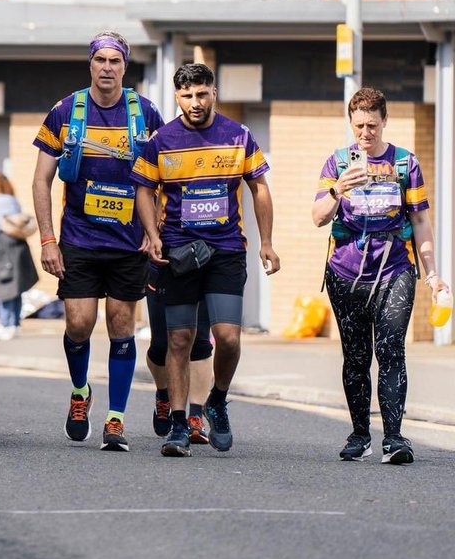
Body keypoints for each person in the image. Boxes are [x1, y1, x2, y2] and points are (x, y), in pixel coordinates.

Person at [132, 62, 280, 458]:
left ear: (213, 92)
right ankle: (179, 425)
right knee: (178, 339)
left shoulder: (238, 135)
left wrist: (266, 242)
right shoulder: (162, 140)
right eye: (186, 96)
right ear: (177, 97)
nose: (194, 103)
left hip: (227, 250)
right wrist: (153, 235)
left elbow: (259, 188)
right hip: (178, 252)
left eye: (201, 94)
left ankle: (217, 399)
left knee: (228, 338)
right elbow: (144, 189)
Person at [32, 31, 165, 452]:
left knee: (122, 326)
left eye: (115, 61)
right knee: (78, 324)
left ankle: (116, 419)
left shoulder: (144, 112)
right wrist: (48, 239)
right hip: (79, 239)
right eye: (100, 60)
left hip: (129, 243)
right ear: (90, 65)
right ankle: (80, 392)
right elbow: (41, 179)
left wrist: (155, 230)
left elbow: (165, 177)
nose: (107, 68)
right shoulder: (66, 111)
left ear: (125, 67)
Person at [311, 87, 449, 464]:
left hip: (395, 270)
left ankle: (394, 439)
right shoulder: (337, 164)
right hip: (346, 272)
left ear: (385, 121)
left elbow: (420, 220)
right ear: (351, 123)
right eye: (359, 126)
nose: (365, 134)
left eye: (372, 125)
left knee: (390, 351)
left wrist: (433, 273)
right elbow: (318, 216)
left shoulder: (405, 164)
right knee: (356, 356)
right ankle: (360, 435)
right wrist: (339, 190)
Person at [146, 284, 214, 444]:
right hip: (162, 270)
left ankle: (195, 416)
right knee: (160, 347)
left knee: (201, 344)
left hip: (203, 266)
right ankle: (163, 394)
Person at [0, 170, 37, 341]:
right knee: (16, 286)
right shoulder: (12, 199)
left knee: (3, 283)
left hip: (3, 245)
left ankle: (5, 324)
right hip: (18, 245)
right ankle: (14, 324)